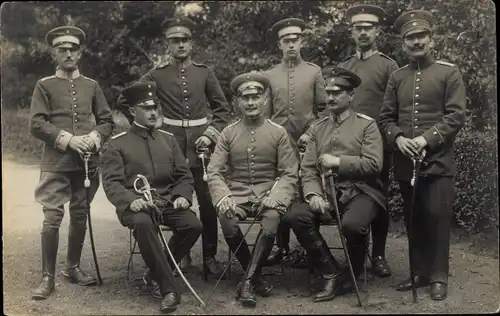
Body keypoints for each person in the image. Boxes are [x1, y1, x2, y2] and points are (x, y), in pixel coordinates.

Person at [117, 17, 231, 277]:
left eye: (184, 40)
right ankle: (182, 254)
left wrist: (210, 135)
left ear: (191, 43)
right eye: (174, 41)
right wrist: (147, 128)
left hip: (201, 148)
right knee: (174, 197)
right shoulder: (156, 75)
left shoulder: (204, 73)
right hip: (168, 146)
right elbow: (126, 98)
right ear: (167, 45)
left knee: (206, 202)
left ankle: (210, 256)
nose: (180, 45)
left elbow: (222, 110)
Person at [379, 10, 466, 301]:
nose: (416, 42)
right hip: (406, 161)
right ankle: (419, 272)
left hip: (438, 160)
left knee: (438, 216)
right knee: (413, 216)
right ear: (403, 43)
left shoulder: (448, 72)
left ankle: (439, 275)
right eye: (410, 38)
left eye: (421, 36)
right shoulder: (397, 77)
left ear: (431, 39)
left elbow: (455, 117)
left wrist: (426, 140)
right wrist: (399, 139)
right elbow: (386, 119)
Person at [283, 66, 386, 302]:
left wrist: (338, 162)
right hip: (326, 192)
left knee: (352, 225)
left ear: (350, 96)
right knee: (296, 216)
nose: (330, 97)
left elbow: (374, 165)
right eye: (328, 92)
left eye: (337, 92)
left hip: (362, 192)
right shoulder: (318, 128)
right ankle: (331, 271)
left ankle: (353, 274)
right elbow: (308, 168)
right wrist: (313, 195)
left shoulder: (367, 125)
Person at [101, 82, 203, 313]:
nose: (154, 112)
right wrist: (130, 201)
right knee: (144, 224)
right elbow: (111, 184)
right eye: (146, 108)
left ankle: (155, 273)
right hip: (136, 206)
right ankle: (168, 288)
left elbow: (184, 175)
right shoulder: (117, 145)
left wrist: (182, 196)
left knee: (193, 225)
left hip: (165, 202)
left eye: (155, 107)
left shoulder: (168, 139)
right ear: (132, 112)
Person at [29, 26, 114, 300]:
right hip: (56, 162)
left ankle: (73, 267)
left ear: (80, 52)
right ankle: (47, 277)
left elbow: (107, 121)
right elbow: (37, 123)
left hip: (87, 163)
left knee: (80, 213)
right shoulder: (44, 85)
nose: (68, 53)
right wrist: (68, 140)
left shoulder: (92, 86)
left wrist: (93, 137)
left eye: (73, 49)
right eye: (62, 49)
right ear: (54, 52)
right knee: (52, 216)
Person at [206, 71, 299, 307]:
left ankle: (246, 281)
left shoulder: (278, 132)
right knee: (227, 220)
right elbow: (214, 170)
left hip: (269, 193)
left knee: (271, 221)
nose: (250, 103)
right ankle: (254, 277)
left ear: (265, 99)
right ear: (237, 102)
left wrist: (277, 196)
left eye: (255, 97)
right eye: (245, 98)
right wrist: (223, 197)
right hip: (237, 194)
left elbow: (289, 171)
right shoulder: (228, 132)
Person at [337, 4, 399, 277]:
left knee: (378, 198)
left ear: (377, 31)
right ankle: (355, 255)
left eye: (368, 28)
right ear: (352, 32)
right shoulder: (345, 66)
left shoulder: (389, 65)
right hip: (347, 146)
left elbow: (393, 108)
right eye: (358, 28)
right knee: (347, 198)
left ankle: (379, 255)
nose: (363, 33)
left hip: (378, 145)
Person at [263, 17, 328, 266]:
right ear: (279, 45)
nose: (291, 45)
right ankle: (281, 247)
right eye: (286, 41)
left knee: (307, 193)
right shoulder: (269, 75)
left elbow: (323, 110)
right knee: (280, 191)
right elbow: (266, 115)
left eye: (295, 40)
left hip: (307, 143)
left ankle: (312, 249)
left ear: (301, 42)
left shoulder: (313, 72)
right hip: (280, 144)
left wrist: (311, 132)